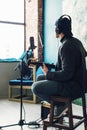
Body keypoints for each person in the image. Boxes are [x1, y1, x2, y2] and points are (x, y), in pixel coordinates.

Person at [32, 14, 87, 117]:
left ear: (58, 30)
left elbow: (67, 74)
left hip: (72, 86)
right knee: (40, 78)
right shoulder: (76, 42)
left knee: (35, 87)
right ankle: (60, 104)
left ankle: (60, 104)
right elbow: (70, 64)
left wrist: (48, 73)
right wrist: (50, 70)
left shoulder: (66, 46)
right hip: (81, 83)